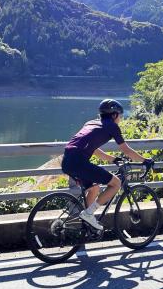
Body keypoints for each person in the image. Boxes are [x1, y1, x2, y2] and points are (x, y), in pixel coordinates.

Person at [61, 98, 152, 233]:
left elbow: (95, 150)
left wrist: (113, 159)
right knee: (116, 183)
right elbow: (126, 149)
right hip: (79, 162)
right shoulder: (112, 126)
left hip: (67, 160)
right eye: (120, 116)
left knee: (94, 188)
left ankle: (86, 223)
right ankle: (88, 214)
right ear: (114, 115)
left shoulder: (91, 123)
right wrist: (145, 161)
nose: (120, 119)